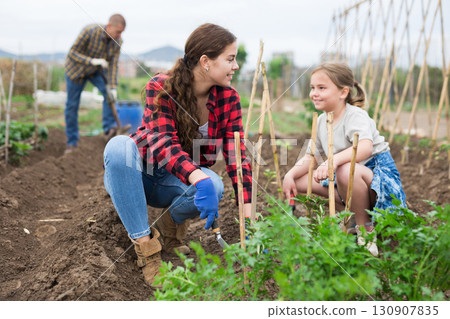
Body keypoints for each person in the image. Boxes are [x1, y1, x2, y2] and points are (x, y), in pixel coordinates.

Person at [103, 23, 252, 286]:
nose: (235, 66)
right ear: (206, 62)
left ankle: (169, 230)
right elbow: (164, 144)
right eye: (230, 59)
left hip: (175, 185)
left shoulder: (228, 99)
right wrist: (198, 177)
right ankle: (147, 252)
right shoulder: (160, 87)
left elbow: (237, 154)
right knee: (118, 146)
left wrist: (248, 215)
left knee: (215, 186)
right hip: (139, 177)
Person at [282, 62, 406, 257]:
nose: (314, 93)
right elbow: (310, 157)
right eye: (312, 88)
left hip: (378, 183)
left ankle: (365, 228)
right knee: (299, 181)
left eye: (322, 88)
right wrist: (289, 175)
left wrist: (332, 161)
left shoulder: (355, 116)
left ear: (343, 92)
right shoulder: (322, 120)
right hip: (347, 179)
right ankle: (346, 213)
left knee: (344, 169)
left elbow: (365, 147)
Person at [64, 14, 126, 153]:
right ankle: (72, 143)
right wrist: (91, 60)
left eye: (121, 32)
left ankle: (109, 130)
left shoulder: (118, 41)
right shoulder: (89, 31)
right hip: (76, 71)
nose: (119, 35)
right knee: (72, 105)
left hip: (95, 72)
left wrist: (113, 87)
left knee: (109, 95)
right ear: (109, 26)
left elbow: (113, 65)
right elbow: (72, 53)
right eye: (118, 31)